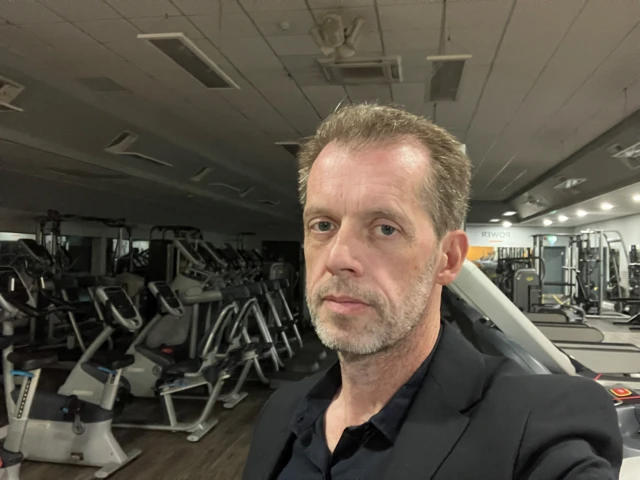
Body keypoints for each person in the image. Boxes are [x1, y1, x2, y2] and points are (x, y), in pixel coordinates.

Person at [242, 104, 622, 479]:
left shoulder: (537, 423)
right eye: (323, 224)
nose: (339, 256)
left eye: (385, 228)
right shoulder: (281, 412)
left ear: (449, 258)